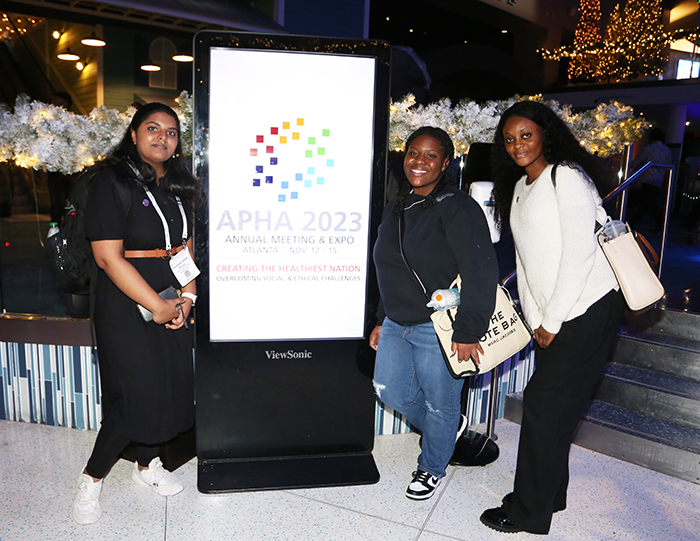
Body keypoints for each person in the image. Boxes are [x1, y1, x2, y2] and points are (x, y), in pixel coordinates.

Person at [480, 101, 624, 534]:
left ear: (545, 133)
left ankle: (528, 512)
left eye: (526, 135)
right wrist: (535, 315)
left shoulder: (568, 177)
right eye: (509, 138)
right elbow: (527, 262)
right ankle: (550, 493)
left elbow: (579, 256)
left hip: (588, 308)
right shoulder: (522, 186)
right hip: (556, 313)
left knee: (543, 407)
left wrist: (554, 320)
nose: (517, 145)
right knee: (555, 409)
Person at [72, 102, 203, 525]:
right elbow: (109, 258)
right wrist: (159, 305)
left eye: (171, 131)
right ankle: (91, 478)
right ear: (133, 134)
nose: (162, 137)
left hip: (171, 294)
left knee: (169, 386)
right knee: (138, 394)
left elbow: (183, 247)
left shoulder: (179, 185)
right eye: (152, 128)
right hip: (124, 302)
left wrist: (187, 298)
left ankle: (147, 466)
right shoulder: (110, 181)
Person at [370, 126, 498, 501]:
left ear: (446, 163)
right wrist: (381, 318)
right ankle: (446, 427)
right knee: (389, 390)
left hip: (440, 326)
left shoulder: (459, 207)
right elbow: (388, 267)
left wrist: (469, 329)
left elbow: (480, 270)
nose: (420, 162)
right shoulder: (397, 206)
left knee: (440, 401)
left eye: (430, 156)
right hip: (396, 322)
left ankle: (431, 468)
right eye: (413, 153)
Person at [628, 128, 672, 231]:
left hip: (647, 178)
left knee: (647, 202)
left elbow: (636, 162)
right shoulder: (667, 150)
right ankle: (659, 225)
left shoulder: (648, 148)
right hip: (659, 179)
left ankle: (633, 223)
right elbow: (668, 165)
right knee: (650, 201)